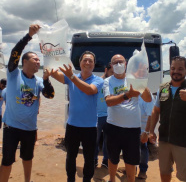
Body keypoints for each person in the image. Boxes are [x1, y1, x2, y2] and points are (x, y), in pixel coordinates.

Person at [0, 24, 55, 182]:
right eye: (35, 59)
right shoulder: (13, 73)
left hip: (30, 129)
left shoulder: (38, 81)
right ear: (24, 61)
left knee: (27, 158)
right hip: (11, 127)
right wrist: (29, 36)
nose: (38, 62)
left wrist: (46, 80)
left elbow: (50, 95)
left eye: (39, 60)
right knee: (7, 160)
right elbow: (15, 52)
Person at [51, 51, 104, 182]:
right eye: (85, 60)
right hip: (72, 126)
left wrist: (73, 77)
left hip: (90, 127)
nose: (87, 62)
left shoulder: (98, 80)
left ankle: (86, 179)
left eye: (90, 61)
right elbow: (53, 72)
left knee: (89, 158)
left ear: (93, 64)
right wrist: (49, 55)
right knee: (70, 156)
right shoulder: (70, 77)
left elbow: (89, 90)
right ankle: (70, 179)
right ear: (79, 63)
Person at [103, 54, 151, 182]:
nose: (118, 64)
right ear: (111, 66)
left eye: (121, 62)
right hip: (113, 126)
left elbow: (148, 99)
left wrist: (140, 81)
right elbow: (109, 101)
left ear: (126, 64)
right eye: (115, 62)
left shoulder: (133, 79)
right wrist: (127, 95)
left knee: (131, 161)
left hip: (133, 128)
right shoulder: (108, 81)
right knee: (113, 158)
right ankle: (112, 179)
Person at [149, 56, 186, 182]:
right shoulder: (163, 87)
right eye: (173, 68)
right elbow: (156, 110)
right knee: (164, 171)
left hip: (183, 141)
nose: (176, 71)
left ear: (185, 70)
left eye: (180, 69)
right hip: (164, 139)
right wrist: (151, 130)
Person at [94, 62, 113, 169]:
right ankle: (94, 159)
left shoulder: (114, 83)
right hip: (96, 116)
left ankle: (105, 160)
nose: (113, 75)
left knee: (107, 141)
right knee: (94, 140)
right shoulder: (97, 82)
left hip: (110, 117)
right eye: (111, 72)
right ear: (106, 70)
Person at [137, 95, 155, 179]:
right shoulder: (131, 94)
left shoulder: (148, 96)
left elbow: (151, 115)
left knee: (143, 149)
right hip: (130, 128)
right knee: (129, 150)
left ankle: (143, 171)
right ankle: (130, 168)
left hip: (142, 129)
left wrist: (146, 132)